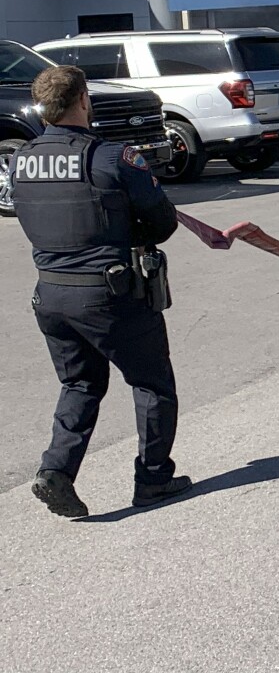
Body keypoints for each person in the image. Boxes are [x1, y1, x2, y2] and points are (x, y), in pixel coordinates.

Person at [9, 66, 190, 517]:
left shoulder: (21, 159)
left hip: (50, 295)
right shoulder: (112, 157)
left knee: (81, 383)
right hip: (109, 294)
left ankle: (56, 472)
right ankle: (154, 480)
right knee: (151, 384)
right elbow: (163, 222)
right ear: (84, 101)